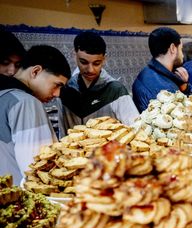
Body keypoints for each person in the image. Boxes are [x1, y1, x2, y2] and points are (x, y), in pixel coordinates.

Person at [0, 45, 70, 184]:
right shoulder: (26, 103)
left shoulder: (4, 95)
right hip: (22, 199)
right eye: (57, 85)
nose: (57, 94)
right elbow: (38, 170)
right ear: (35, 71)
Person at [56, 31, 139, 137]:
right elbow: (62, 135)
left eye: (96, 63)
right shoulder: (64, 90)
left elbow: (135, 130)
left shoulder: (116, 91)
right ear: (75, 55)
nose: (90, 69)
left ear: (104, 59)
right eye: (84, 62)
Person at [133, 27, 189, 113]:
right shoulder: (166, 90)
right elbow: (185, 117)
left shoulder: (146, 72)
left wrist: (184, 87)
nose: (183, 56)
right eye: (181, 49)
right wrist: (186, 91)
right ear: (173, 48)